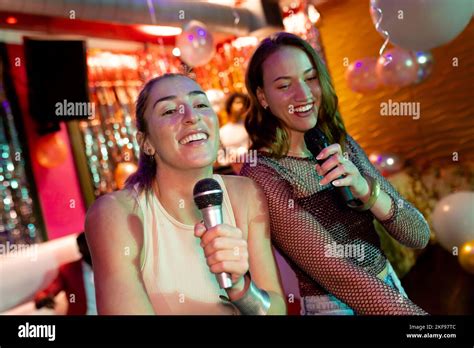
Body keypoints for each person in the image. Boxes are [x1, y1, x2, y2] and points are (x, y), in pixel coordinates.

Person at [240, 32, 431, 315]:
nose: (304, 95)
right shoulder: (262, 171)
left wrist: (365, 189)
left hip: (388, 287)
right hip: (334, 308)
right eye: (284, 85)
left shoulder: (337, 142)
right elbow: (340, 274)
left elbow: (418, 234)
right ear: (262, 96)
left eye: (310, 78)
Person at [85, 73, 286, 315]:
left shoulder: (245, 193)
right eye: (170, 111)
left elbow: (276, 310)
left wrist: (241, 288)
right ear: (146, 142)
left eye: (200, 104)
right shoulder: (115, 213)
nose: (192, 117)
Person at [34, 232, 97, 315]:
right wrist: (43, 298)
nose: (90, 249)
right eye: (86, 246)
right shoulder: (68, 269)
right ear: (80, 249)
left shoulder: (110, 266)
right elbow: (49, 291)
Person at [218, 92, 251, 174]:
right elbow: (221, 158)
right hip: (231, 172)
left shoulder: (250, 127)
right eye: (238, 102)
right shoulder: (222, 132)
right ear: (230, 105)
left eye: (243, 103)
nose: (241, 106)